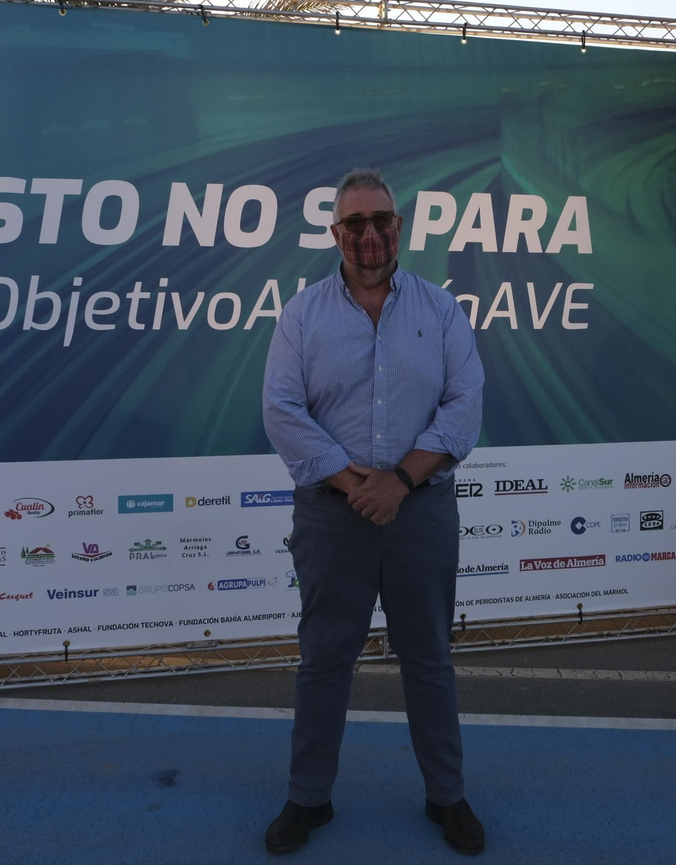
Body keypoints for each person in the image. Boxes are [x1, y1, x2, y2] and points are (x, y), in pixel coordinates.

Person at [261, 167, 486, 855]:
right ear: (336, 234)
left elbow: (464, 404)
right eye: (354, 224)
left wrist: (399, 483)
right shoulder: (302, 315)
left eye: (380, 220)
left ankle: (446, 796)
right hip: (334, 517)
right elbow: (282, 411)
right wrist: (359, 481)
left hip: (420, 513)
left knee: (429, 661)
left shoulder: (441, 311)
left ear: (399, 225)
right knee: (324, 661)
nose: (369, 235)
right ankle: (309, 799)